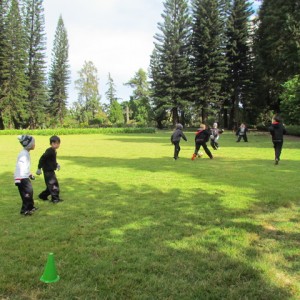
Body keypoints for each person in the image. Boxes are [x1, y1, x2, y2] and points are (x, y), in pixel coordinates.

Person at [14, 135, 37, 216]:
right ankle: (25, 210)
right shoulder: (24, 155)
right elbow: (19, 167)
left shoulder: (26, 153)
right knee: (27, 194)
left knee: (30, 192)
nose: (35, 145)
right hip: (22, 178)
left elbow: (25, 167)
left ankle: (31, 207)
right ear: (29, 145)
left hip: (25, 177)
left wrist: (30, 174)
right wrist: (17, 179)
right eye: (33, 143)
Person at [36, 135, 62, 203]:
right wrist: (39, 168)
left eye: (58, 143)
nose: (57, 145)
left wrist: (57, 164)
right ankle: (55, 199)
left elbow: (52, 161)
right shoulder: (49, 151)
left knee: (50, 185)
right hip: (47, 171)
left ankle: (42, 196)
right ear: (51, 144)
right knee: (53, 185)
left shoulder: (53, 151)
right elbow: (42, 158)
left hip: (51, 170)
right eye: (55, 143)